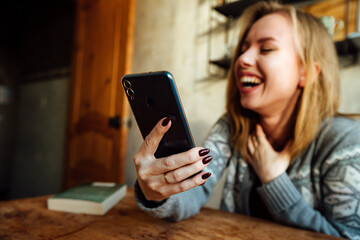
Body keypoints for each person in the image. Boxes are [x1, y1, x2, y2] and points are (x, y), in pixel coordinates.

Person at [132, 1, 360, 239]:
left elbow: (349, 235)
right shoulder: (231, 126)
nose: (241, 59)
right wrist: (160, 191)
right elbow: (194, 193)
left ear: (308, 72)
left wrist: (274, 180)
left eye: (266, 49)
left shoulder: (345, 140)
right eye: (243, 48)